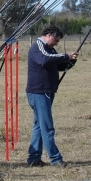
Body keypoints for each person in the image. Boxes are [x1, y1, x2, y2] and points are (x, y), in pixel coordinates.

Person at [26, 25, 77, 168]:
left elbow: (56, 65)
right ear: (48, 35)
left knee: (38, 125)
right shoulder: (38, 47)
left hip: (46, 91)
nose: (56, 43)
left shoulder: (50, 50)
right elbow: (45, 60)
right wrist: (65, 55)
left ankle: (34, 158)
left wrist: (70, 61)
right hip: (39, 92)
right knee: (47, 126)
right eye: (55, 40)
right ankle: (56, 160)